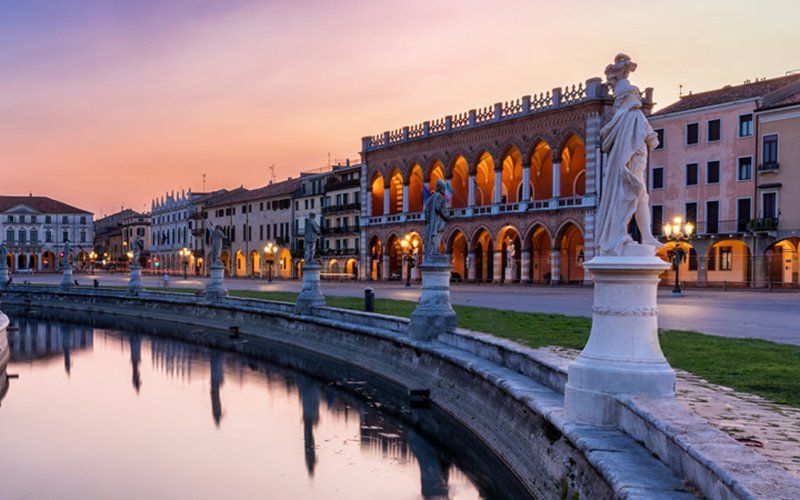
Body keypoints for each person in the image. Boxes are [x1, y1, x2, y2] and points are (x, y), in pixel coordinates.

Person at [595, 53, 663, 255]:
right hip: (631, 163)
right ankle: (624, 234)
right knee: (633, 198)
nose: (637, 97)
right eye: (634, 94)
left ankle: (646, 236)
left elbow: (650, 137)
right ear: (627, 97)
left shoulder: (629, 116)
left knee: (640, 197)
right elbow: (651, 138)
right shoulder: (630, 115)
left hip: (636, 161)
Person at [424, 179, 449, 257]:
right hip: (437, 221)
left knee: (434, 235)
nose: (445, 190)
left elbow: (426, 207)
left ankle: (433, 251)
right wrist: (445, 215)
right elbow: (438, 208)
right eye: (444, 188)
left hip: (432, 221)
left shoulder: (432, 197)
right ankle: (434, 251)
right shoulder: (439, 196)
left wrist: (427, 219)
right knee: (437, 235)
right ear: (441, 188)